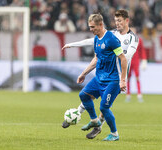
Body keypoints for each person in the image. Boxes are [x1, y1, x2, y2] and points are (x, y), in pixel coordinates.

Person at [62, 10, 139, 140]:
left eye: (119, 20)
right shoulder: (110, 34)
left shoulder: (132, 38)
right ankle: (84, 117)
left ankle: (108, 131)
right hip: (103, 74)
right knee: (88, 96)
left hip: (117, 76)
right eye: (115, 21)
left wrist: (122, 78)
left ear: (127, 21)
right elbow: (94, 42)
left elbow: (126, 57)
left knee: (104, 107)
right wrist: (73, 45)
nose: (117, 23)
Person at [125, 27, 147, 103]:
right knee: (128, 78)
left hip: (136, 62)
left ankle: (139, 94)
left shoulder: (139, 40)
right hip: (128, 62)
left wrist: (144, 60)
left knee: (137, 77)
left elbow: (142, 51)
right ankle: (128, 94)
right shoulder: (126, 41)